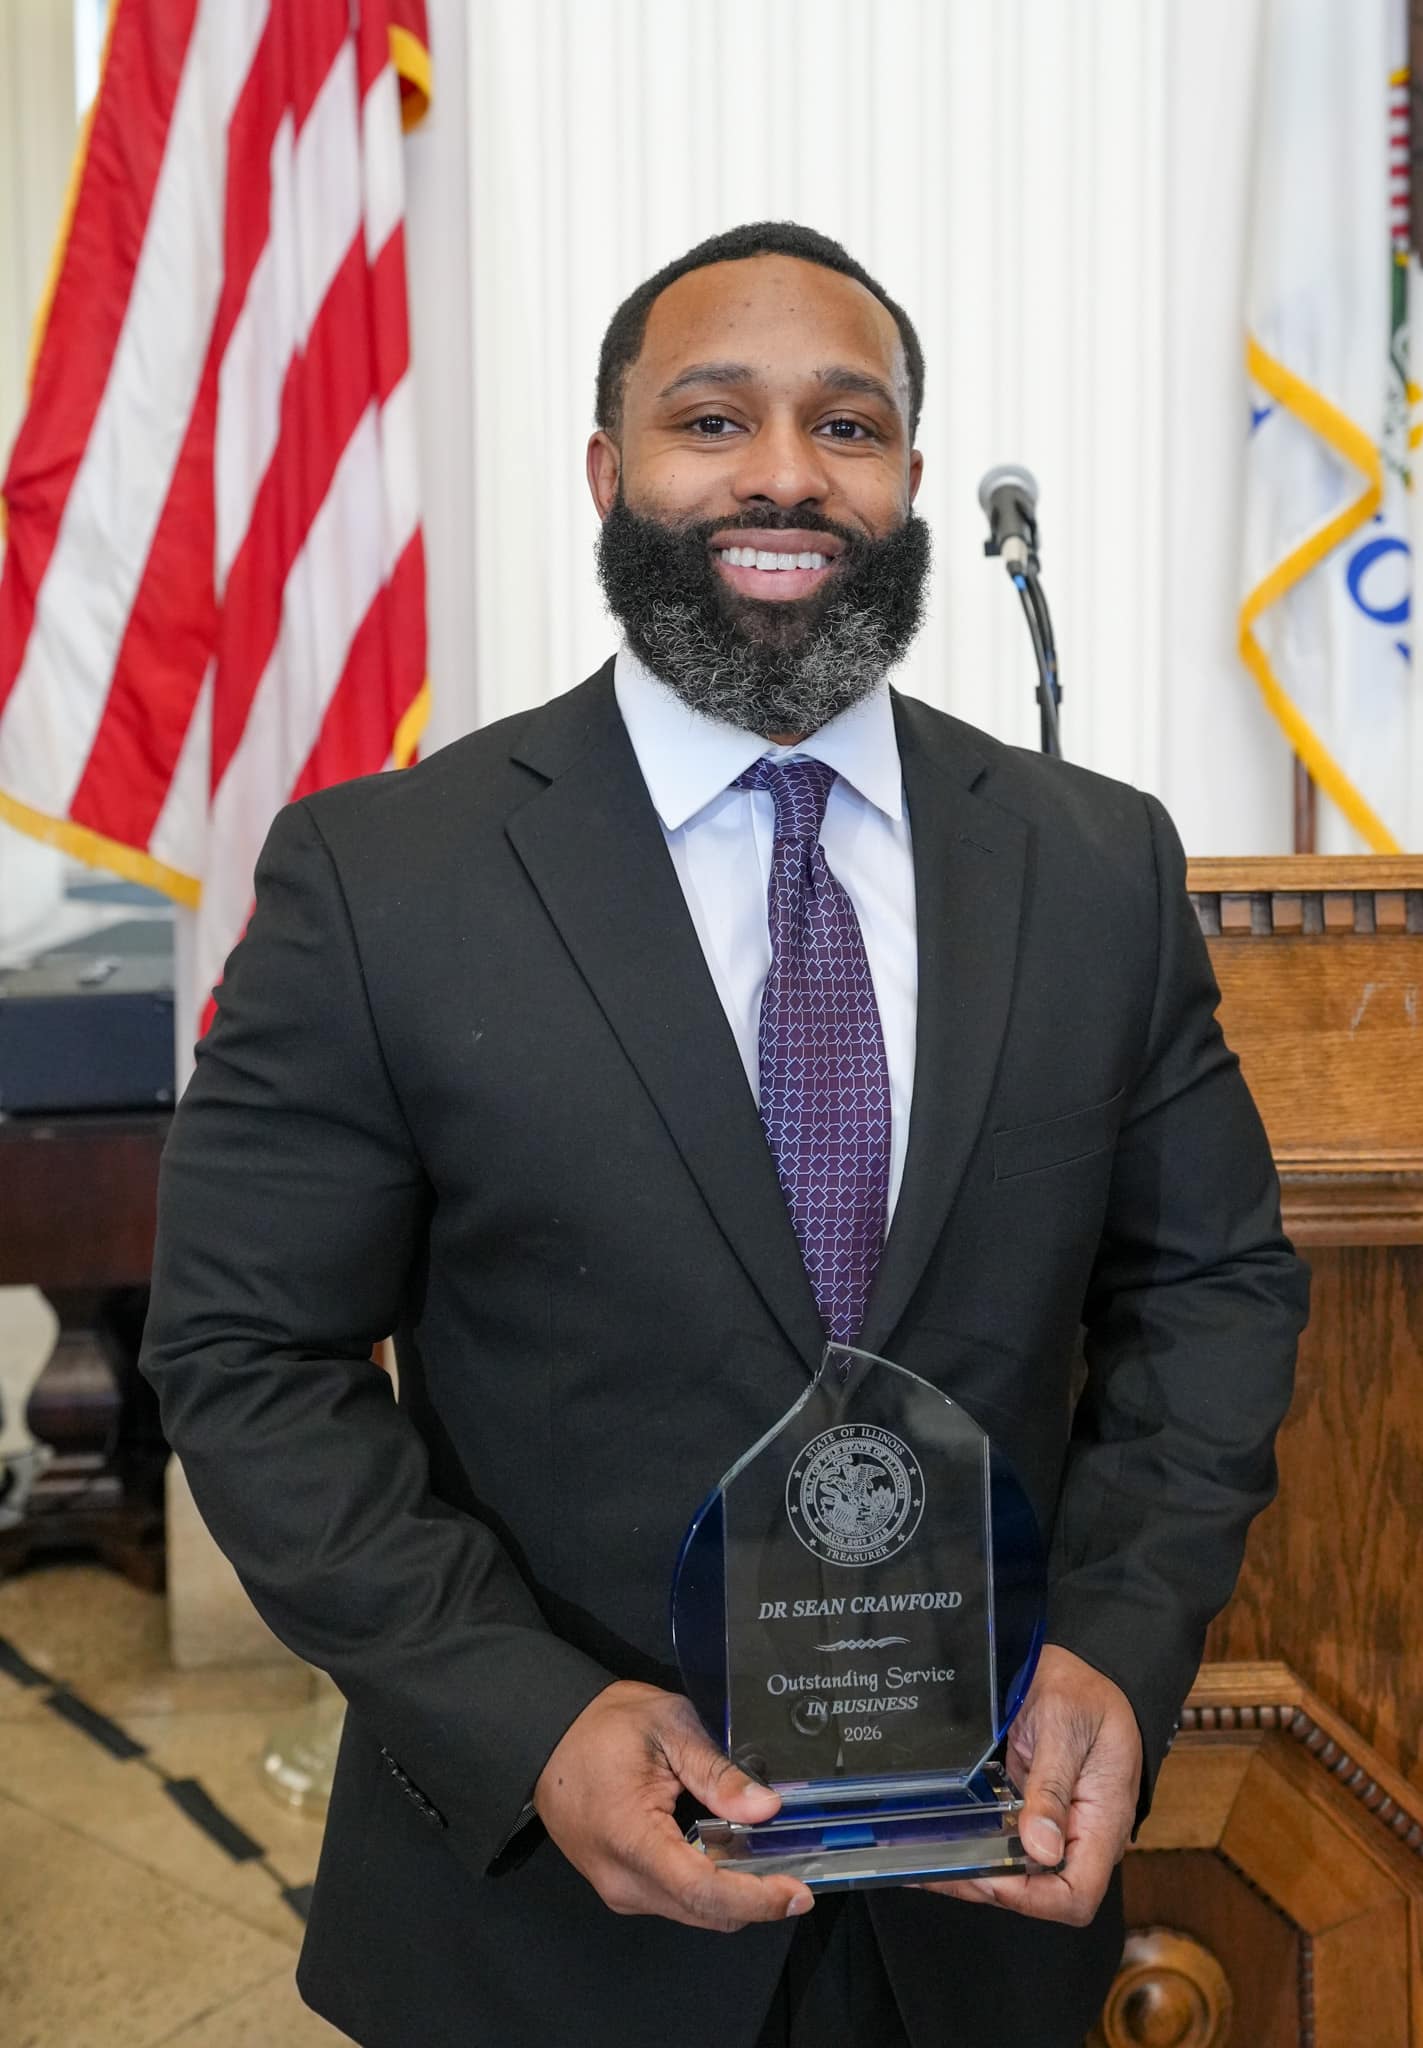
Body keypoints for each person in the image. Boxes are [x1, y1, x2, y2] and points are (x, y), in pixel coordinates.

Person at [139, 220, 1308, 2048]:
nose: (784, 473)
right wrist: (526, 1718)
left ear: (907, 480)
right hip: (543, 1937)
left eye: (848, 425)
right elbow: (246, 1356)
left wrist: (1118, 1642)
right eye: (711, 420)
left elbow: (1212, 1292)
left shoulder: (1095, 864)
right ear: (608, 475)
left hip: (985, 1908)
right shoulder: (385, 877)